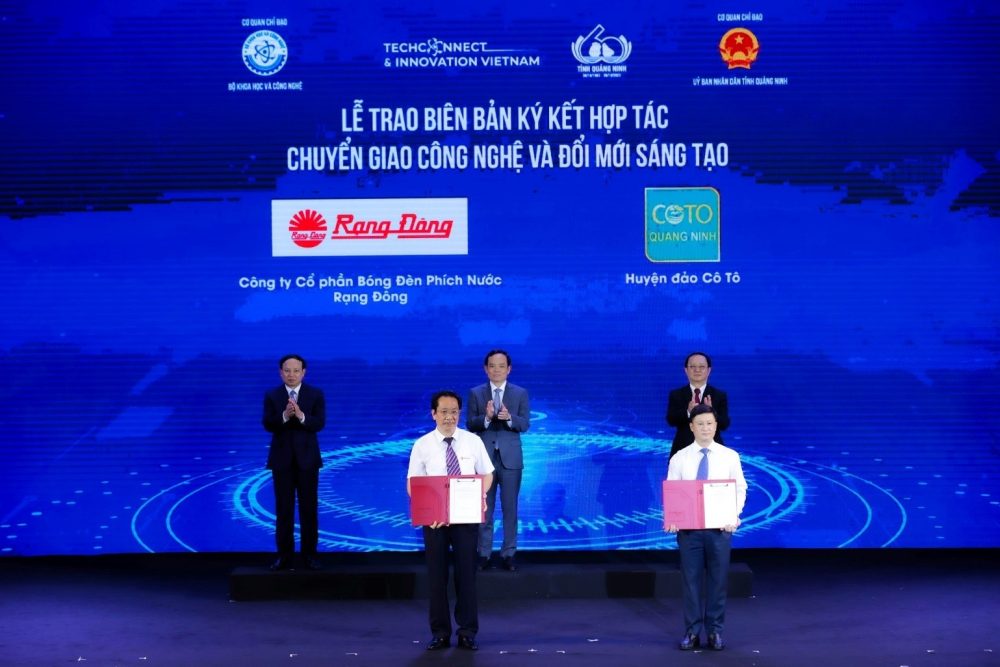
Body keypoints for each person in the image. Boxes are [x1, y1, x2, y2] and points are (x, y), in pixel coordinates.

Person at [408, 391, 495, 651]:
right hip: (434, 521)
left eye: (454, 411)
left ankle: (467, 632)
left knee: (466, 575)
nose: (449, 417)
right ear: (433, 414)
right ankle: (440, 633)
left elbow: (487, 474)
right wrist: (427, 512)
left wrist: (479, 495)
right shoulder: (422, 445)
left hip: (465, 519)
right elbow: (413, 484)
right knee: (437, 578)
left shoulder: (472, 441)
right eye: (444, 411)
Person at [666, 404, 748, 651]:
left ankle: (714, 631)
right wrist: (672, 518)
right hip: (689, 531)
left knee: (718, 582)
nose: (705, 428)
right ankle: (692, 632)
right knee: (691, 583)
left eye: (709, 423)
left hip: (720, 529)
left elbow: (740, 488)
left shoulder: (729, 456)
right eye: (700, 424)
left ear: (716, 426)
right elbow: (673, 491)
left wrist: (734, 515)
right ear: (691, 427)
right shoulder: (680, 457)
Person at [466, 349, 530, 571]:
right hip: (484, 460)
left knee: (510, 509)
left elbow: (525, 424)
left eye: (501, 366)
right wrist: (486, 417)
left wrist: (509, 418)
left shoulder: (520, 393)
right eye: (492, 366)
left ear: (509, 369)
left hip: (511, 460)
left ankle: (508, 553)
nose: (496, 370)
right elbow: (470, 424)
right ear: (486, 369)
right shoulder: (476, 393)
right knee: (485, 509)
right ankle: (483, 553)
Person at [262, 354, 326, 571]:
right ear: (281, 373)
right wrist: (283, 415)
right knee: (284, 510)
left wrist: (301, 416)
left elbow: (319, 423)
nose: (291, 374)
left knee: (309, 509)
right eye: (287, 370)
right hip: (282, 462)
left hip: (308, 461)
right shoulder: (272, 395)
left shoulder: (315, 394)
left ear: (303, 372)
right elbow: (268, 424)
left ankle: (310, 555)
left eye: (296, 370)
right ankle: (284, 556)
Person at [666, 351, 731, 460]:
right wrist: (688, 411)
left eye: (701, 367)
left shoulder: (719, 395)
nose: (697, 370)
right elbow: (671, 420)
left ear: (709, 370)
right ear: (686, 370)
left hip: (713, 451)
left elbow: (725, 424)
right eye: (693, 367)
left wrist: (712, 412)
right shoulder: (676, 394)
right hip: (683, 449)